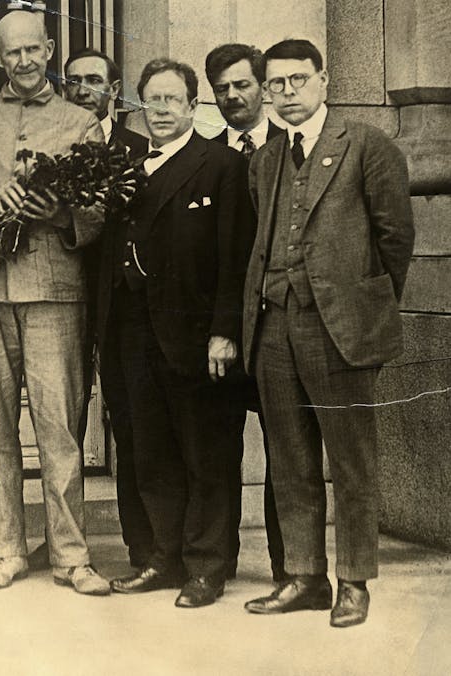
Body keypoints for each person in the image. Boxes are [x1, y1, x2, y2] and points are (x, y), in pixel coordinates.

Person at [242, 39, 414, 628]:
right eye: (275, 85)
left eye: (297, 81)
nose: (286, 94)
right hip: (272, 326)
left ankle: (355, 582)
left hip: (339, 328)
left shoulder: (367, 145)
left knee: (351, 459)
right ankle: (305, 577)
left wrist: (361, 306)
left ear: (324, 80)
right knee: (288, 459)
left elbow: (395, 241)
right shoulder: (264, 159)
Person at [0, 10, 110, 596]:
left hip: (55, 290)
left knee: (59, 426)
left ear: (50, 49)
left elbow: (101, 207)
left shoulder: (82, 122)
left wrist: (62, 215)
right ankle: (6, 549)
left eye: (33, 50)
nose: (24, 62)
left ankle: (71, 556)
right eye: (11, 53)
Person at [104, 58, 255, 608]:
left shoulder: (219, 165)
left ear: (193, 105)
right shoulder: (128, 166)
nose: (162, 110)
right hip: (134, 333)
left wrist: (224, 332)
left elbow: (234, 256)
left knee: (206, 452)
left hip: (195, 337)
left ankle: (208, 566)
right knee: (151, 451)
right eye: (153, 101)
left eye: (172, 100)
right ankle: (161, 558)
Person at [23, 48, 152, 573]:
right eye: (71, 80)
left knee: (133, 423)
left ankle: (145, 545)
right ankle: (62, 541)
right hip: (62, 295)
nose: (80, 89)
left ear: (114, 91)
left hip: (121, 305)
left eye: (93, 81)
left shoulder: (141, 150)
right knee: (62, 426)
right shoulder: (50, 137)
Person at [204, 42, 286, 584]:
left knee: (289, 449)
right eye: (222, 89)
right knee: (215, 447)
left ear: (262, 86)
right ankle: (215, 563)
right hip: (219, 331)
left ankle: (292, 567)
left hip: (280, 326)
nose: (233, 96)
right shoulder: (205, 156)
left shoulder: (293, 145)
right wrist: (220, 329)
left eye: (243, 85)